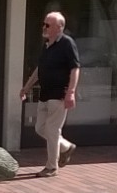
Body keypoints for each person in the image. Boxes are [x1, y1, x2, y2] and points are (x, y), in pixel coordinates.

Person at [20, 11, 80, 178]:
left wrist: (71, 92)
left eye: (48, 25)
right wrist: (26, 87)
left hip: (59, 95)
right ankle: (66, 147)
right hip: (45, 94)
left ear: (59, 27)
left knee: (52, 130)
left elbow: (75, 68)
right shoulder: (46, 45)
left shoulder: (67, 43)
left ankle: (51, 167)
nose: (44, 27)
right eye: (44, 24)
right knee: (40, 128)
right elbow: (40, 70)